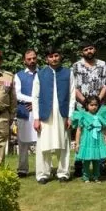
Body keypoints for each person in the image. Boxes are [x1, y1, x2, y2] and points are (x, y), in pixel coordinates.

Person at [33, 49, 75, 184]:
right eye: (51, 56)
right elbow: (35, 97)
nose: (54, 58)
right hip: (45, 115)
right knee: (43, 145)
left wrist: (70, 116)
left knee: (64, 144)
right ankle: (43, 174)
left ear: (60, 57)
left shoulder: (68, 73)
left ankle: (63, 173)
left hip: (62, 115)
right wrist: (36, 118)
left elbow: (72, 95)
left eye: (56, 56)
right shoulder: (40, 74)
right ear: (47, 59)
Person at [71, 42, 106, 177]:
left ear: (95, 49)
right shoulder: (76, 66)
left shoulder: (103, 65)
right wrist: (85, 102)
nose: (89, 51)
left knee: (98, 133)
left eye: (91, 48)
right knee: (82, 134)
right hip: (82, 106)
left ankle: (101, 163)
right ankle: (79, 163)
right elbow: (74, 87)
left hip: (99, 106)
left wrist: (97, 102)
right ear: (82, 52)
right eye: (86, 49)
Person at [72, 95, 106, 183]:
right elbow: (78, 130)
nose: (94, 107)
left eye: (96, 105)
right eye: (91, 105)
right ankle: (86, 177)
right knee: (86, 160)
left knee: (97, 160)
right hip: (87, 141)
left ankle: (96, 176)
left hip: (97, 141)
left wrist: (105, 137)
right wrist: (77, 143)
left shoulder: (100, 116)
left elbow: (103, 128)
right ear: (87, 105)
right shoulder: (83, 116)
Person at [15, 49, 39, 177]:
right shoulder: (18, 75)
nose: (32, 61)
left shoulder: (42, 74)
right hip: (24, 112)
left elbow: (47, 92)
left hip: (39, 113)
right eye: (29, 59)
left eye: (34, 58)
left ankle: (42, 169)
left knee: (40, 142)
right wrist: (33, 100)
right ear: (24, 61)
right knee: (23, 142)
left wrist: (36, 103)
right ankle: (22, 169)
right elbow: (17, 94)